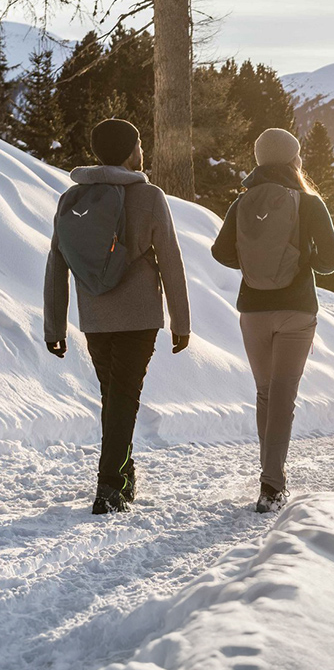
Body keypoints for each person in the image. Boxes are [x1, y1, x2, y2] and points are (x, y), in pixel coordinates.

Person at [44, 118, 191, 515]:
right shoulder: (149, 197)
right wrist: (182, 322)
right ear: (130, 150)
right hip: (139, 316)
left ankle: (123, 475)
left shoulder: (73, 199)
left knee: (115, 396)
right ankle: (109, 484)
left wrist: (54, 326)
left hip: (94, 316)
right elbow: (172, 262)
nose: (142, 150)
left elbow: (57, 263)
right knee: (123, 397)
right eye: (139, 143)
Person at [211, 127, 334, 513]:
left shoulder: (242, 203)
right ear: (293, 159)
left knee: (266, 393)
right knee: (283, 396)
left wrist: (252, 263)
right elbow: (333, 258)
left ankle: (269, 476)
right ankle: (272, 485)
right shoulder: (308, 202)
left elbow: (221, 252)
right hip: (297, 309)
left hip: (253, 310)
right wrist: (306, 262)